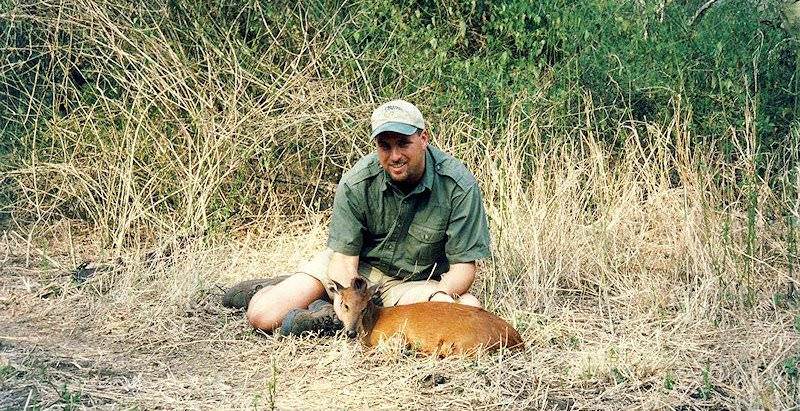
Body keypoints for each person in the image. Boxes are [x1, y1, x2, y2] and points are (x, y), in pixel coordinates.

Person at [222, 99, 491, 336]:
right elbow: (343, 262)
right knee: (263, 315)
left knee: (468, 309)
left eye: (403, 144)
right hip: (354, 273)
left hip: (410, 283)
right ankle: (287, 289)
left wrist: (436, 300)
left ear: (424, 139)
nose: (395, 156)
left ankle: (325, 310)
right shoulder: (357, 181)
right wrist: (354, 301)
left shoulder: (458, 185)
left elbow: (463, 271)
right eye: (385, 146)